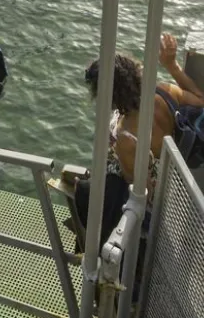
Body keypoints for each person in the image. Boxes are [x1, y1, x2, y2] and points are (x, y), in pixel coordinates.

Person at [78, 33, 204, 244]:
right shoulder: (164, 91)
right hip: (170, 170)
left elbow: (140, 190)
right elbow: (200, 99)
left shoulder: (126, 137)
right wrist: (172, 65)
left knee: (85, 191)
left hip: (152, 199)